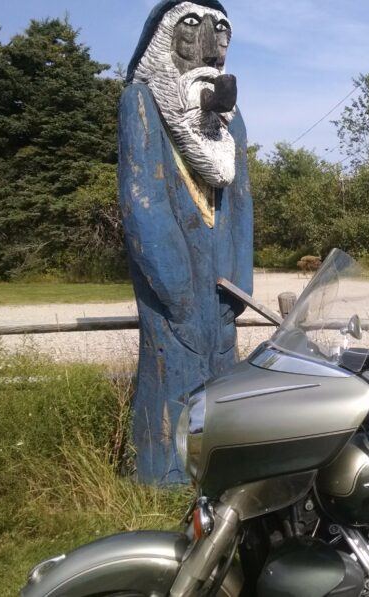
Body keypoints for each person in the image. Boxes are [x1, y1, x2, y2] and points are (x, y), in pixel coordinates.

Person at [118, 0, 253, 483]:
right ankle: (166, 478)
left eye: (222, 30)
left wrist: (238, 287)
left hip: (220, 296)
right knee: (173, 381)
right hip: (174, 295)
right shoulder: (141, 104)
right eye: (193, 25)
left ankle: (218, 475)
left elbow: (240, 210)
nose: (211, 44)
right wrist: (177, 292)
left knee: (221, 385)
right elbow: (143, 202)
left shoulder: (229, 124)